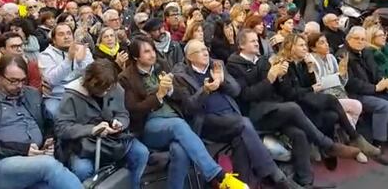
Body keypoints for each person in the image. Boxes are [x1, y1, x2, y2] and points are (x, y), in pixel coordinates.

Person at [226, 29, 364, 188]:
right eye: (252, 41)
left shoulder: (263, 60)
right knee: (292, 107)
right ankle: (327, 145)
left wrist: (280, 76)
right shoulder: (234, 65)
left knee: (299, 134)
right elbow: (246, 95)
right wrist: (270, 78)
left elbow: (277, 90)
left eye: (257, 40)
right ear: (241, 45)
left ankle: (306, 182)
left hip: (274, 109)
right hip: (256, 114)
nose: (257, 42)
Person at [119, 35, 248, 189]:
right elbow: (133, 111)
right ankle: (218, 175)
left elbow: (183, 96)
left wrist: (171, 90)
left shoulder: (162, 65)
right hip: (149, 125)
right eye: (146, 52)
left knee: (180, 151)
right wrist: (158, 95)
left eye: (153, 49)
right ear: (135, 56)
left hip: (174, 119)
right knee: (177, 125)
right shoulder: (126, 78)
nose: (152, 54)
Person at [173, 39, 301, 188]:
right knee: (244, 123)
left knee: (241, 139)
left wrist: (222, 82)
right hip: (207, 122)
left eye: (205, 49)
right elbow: (189, 108)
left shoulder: (217, 65)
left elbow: (236, 90)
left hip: (231, 116)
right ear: (189, 57)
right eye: (199, 51)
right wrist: (206, 90)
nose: (205, 53)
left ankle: (246, 185)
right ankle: (276, 176)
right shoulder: (181, 76)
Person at [0, 54, 82, 189]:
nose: (19, 86)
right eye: (13, 81)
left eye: (22, 80)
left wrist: (49, 140)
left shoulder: (32, 94)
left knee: (47, 185)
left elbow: (49, 123)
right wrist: (22, 149)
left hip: (35, 158)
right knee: (48, 165)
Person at [275, 33, 373, 167]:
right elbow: (289, 93)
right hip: (294, 106)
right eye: (301, 45)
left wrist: (310, 69)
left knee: (331, 116)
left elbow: (309, 84)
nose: (305, 48)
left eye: (305, 45)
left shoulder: (304, 63)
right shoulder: (284, 65)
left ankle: (329, 150)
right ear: (290, 47)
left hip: (307, 100)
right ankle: (354, 137)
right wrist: (311, 89)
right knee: (330, 99)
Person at [55, 59, 149, 185]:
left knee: (141, 153)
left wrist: (119, 123)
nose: (106, 92)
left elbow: (123, 113)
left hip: (112, 139)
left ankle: (133, 185)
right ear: (91, 83)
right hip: (83, 144)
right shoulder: (71, 96)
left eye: (108, 89)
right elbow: (61, 128)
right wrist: (92, 129)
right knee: (82, 169)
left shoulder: (115, 87)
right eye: (102, 89)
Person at [307, 33, 380, 159]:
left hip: (338, 93)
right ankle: (353, 142)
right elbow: (317, 84)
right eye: (322, 43)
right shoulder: (311, 61)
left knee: (349, 112)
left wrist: (343, 74)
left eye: (326, 41)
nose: (327, 44)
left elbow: (342, 81)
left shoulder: (331, 58)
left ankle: (350, 144)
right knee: (356, 105)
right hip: (323, 97)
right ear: (313, 48)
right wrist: (338, 75)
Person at [344, 26, 388, 154]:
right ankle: (378, 143)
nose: (360, 41)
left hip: (372, 90)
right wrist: (375, 88)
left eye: (363, 39)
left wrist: (383, 82)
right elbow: (351, 83)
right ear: (349, 39)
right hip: (355, 95)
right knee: (383, 106)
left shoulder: (365, 52)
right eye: (357, 39)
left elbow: (376, 70)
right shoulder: (344, 56)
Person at [38, 23, 93, 119]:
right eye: (61, 34)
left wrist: (80, 62)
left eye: (68, 33)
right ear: (54, 40)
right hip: (57, 97)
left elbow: (92, 76)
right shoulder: (45, 55)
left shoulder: (84, 50)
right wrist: (69, 60)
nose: (66, 37)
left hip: (81, 95)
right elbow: (51, 80)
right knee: (53, 111)